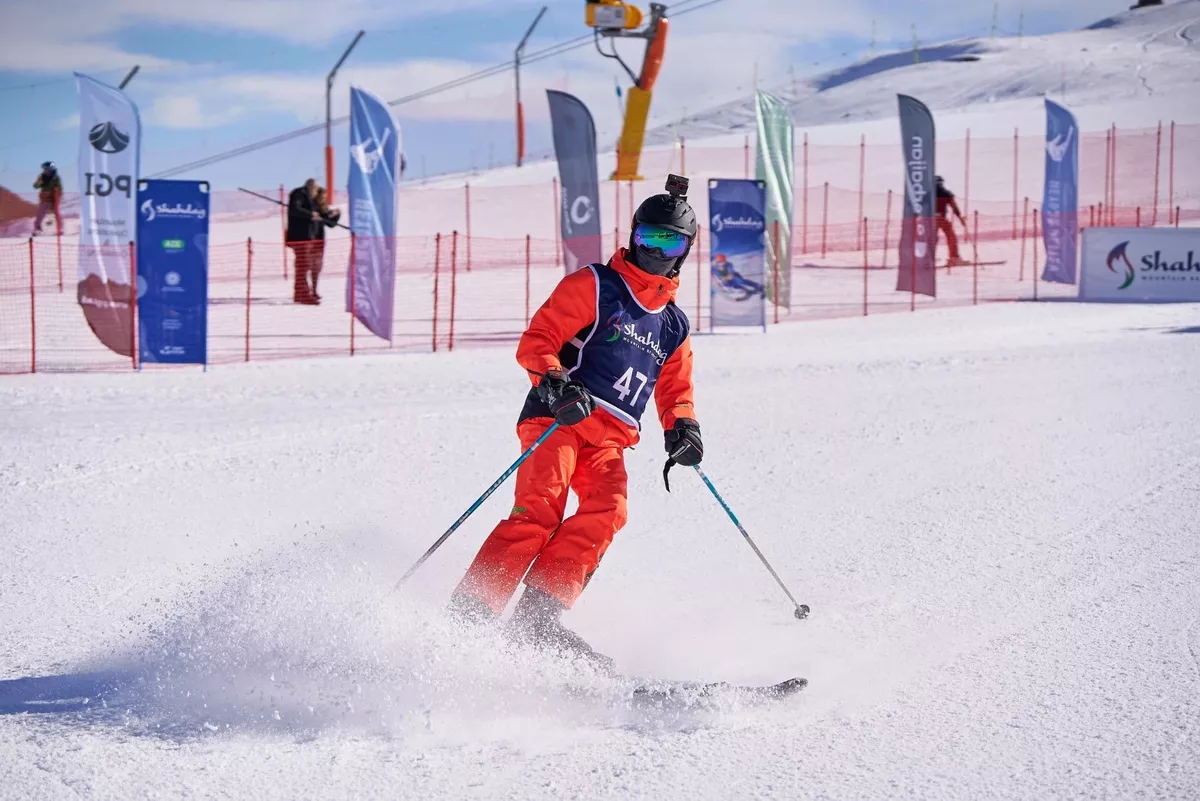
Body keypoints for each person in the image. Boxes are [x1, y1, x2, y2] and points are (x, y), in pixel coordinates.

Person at [447, 176, 704, 670]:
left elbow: (676, 388)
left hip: (609, 440)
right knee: (539, 512)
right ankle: (470, 616)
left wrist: (683, 427)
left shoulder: (673, 324)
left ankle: (537, 621)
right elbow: (538, 340)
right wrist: (556, 383)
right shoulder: (594, 285)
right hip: (559, 418)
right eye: (649, 237)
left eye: (670, 243)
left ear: (685, 251)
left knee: (608, 512)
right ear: (633, 235)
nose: (656, 251)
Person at [286, 178, 321, 304]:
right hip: (300, 236)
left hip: (309, 236)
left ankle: (302, 293)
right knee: (303, 265)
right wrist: (310, 215)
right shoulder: (299, 194)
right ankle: (302, 294)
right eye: (315, 188)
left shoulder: (310, 197)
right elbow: (295, 209)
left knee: (304, 265)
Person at [310, 187, 341, 302]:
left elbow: (330, 224)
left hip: (320, 239)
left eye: (324, 197)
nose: (323, 198)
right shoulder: (311, 206)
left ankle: (314, 290)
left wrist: (336, 215)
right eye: (321, 196)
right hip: (310, 238)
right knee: (307, 265)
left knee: (317, 266)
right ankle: (306, 290)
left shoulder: (324, 208)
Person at [935, 175, 969, 267]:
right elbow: (954, 207)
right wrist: (960, 218)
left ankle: (926, 259)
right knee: (951, 236)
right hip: (941, 218)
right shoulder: (946, 193)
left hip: (929, 219)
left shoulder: (927, 194)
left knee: (931, 239)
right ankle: (954, 258)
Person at [32, 162, 62, 236]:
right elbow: (35, 186)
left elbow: (59, 188)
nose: (45, 170)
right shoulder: (42, 177)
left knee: (57, 213)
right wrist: (39, 182)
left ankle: (60, 229)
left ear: (51, 169)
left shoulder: (56, 178)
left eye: (47, 169)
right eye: (44, 169)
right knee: (40, 214)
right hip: (45, 198)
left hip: (54, 198)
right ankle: (37, 229)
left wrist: (57, 194)